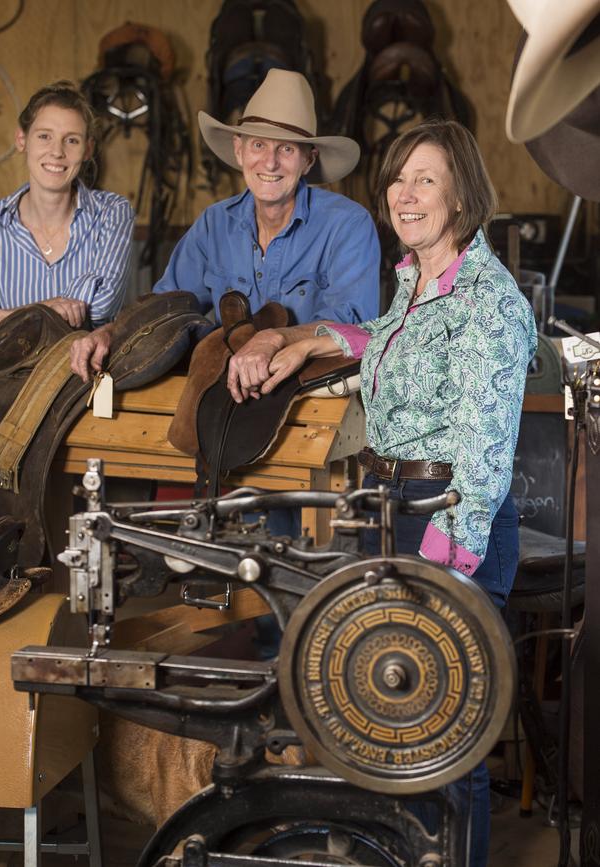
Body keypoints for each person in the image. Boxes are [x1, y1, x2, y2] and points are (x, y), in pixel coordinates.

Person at [227, 118, 538, 867]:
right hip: (392, 520)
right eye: (398, 178)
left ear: (463, 193)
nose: (404, 193)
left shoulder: (489, 304)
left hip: (446, 534)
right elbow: (385, 339)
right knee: (391, 734)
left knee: (443, 742)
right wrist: (313, 338)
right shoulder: (420, 282)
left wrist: (436, 579)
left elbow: (483, 462)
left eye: (424, 179)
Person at [69, 68, 380, 383]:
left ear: (308, 160)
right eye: (258, 145)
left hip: (314, 385)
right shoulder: (213, 224)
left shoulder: (348, 225)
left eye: (286, 149)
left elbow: (354, 325)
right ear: (239, 149)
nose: (270, 163)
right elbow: (167, 305)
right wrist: (110, 333)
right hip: (227, 376)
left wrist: (277, 338)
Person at [0, 80, 134, 377]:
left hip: (85, 382)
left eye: (71, 140)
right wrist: (50, 306)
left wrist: (6, 317)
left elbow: (99, 309)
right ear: (21, 139)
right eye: (44, 136)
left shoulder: (113, 213)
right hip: (9, 386)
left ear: (88, 148)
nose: (56, 152)